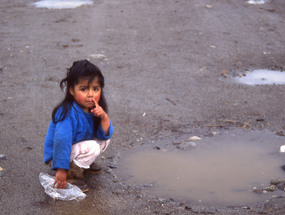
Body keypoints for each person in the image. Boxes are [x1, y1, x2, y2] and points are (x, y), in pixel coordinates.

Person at [43, 60, 113, 191]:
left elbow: (102, 134)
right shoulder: (68, 114)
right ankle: (71, 175)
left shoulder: (94, 109)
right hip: (58, 154)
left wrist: (104, 117)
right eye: (84, 89)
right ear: (72, 91)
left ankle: (82, 163)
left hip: (75, 147)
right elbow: (61, 141)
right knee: (93, 147)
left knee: (105, 139)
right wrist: (61, 169)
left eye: (95, 89)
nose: (91, 94)